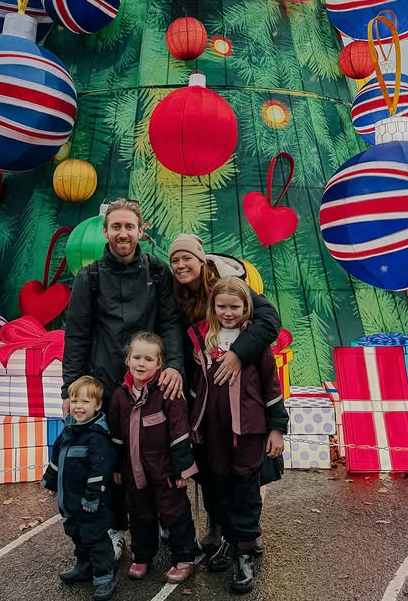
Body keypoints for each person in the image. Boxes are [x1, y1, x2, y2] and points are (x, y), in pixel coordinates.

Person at [62, 199, 185, 560]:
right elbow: (77, 334)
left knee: (157, 456)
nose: (123, 234)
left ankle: (164, 519)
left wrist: (174, 365)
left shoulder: (159, 273)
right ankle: (114, 531)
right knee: (110, 463)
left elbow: (170, 325)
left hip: (149, 384)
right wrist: (71, 387)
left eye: (129, 227)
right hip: (107, 383)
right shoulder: (90, 277)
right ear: (106, 231)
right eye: (116, 227)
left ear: (141, 230)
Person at [168, 233, 282, 552]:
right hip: (201, 389)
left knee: (242, 468)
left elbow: (269, 319)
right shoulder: (175, 293)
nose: (180, 265)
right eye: (175, 259)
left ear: (201, 259)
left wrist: (239, 353)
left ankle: (244, 534)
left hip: (239, 385)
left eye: (186, 258)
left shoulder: (227, 283)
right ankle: (216, 525)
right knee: (210, 466)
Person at [188, 277, 287, 594]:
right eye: (222, 306)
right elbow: (195, 388)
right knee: (217, 486)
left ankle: (244, 553)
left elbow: (271, 387)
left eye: (235, 306)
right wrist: (194, 425)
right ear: (212, 307)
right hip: (212, 431)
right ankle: (231, 542)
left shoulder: (254, 342)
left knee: (244, 489)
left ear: (247, 308)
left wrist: (276, 428)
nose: (228, 312)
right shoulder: (203, 340)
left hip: (249, 430)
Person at [108, 332, 198, 584]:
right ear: (127, 359)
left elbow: (180, 433)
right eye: (136, 357)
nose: (141, 363)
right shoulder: (119, 396)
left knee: (175, 513)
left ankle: (184, 558)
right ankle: (142, 556)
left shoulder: (168, 393)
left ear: (159, 364)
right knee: (139, 513)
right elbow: (116, 436)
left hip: (165, 470)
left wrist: (182, 471)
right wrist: (116, 466)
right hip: (133, 471)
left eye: (148, 359)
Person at [42, 376, 117, 601]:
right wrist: (50, 478)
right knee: (75, 532)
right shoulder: (69, 429)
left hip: (91, 503)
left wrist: (92, 497)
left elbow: (100, 470)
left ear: (98, 405)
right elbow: (57, 457)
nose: (78, 406)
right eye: (75, 401)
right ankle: (84, 565)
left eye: (85, 402)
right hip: (71, 500)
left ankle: (104, 575)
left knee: (95, 538)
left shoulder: (97, 436)